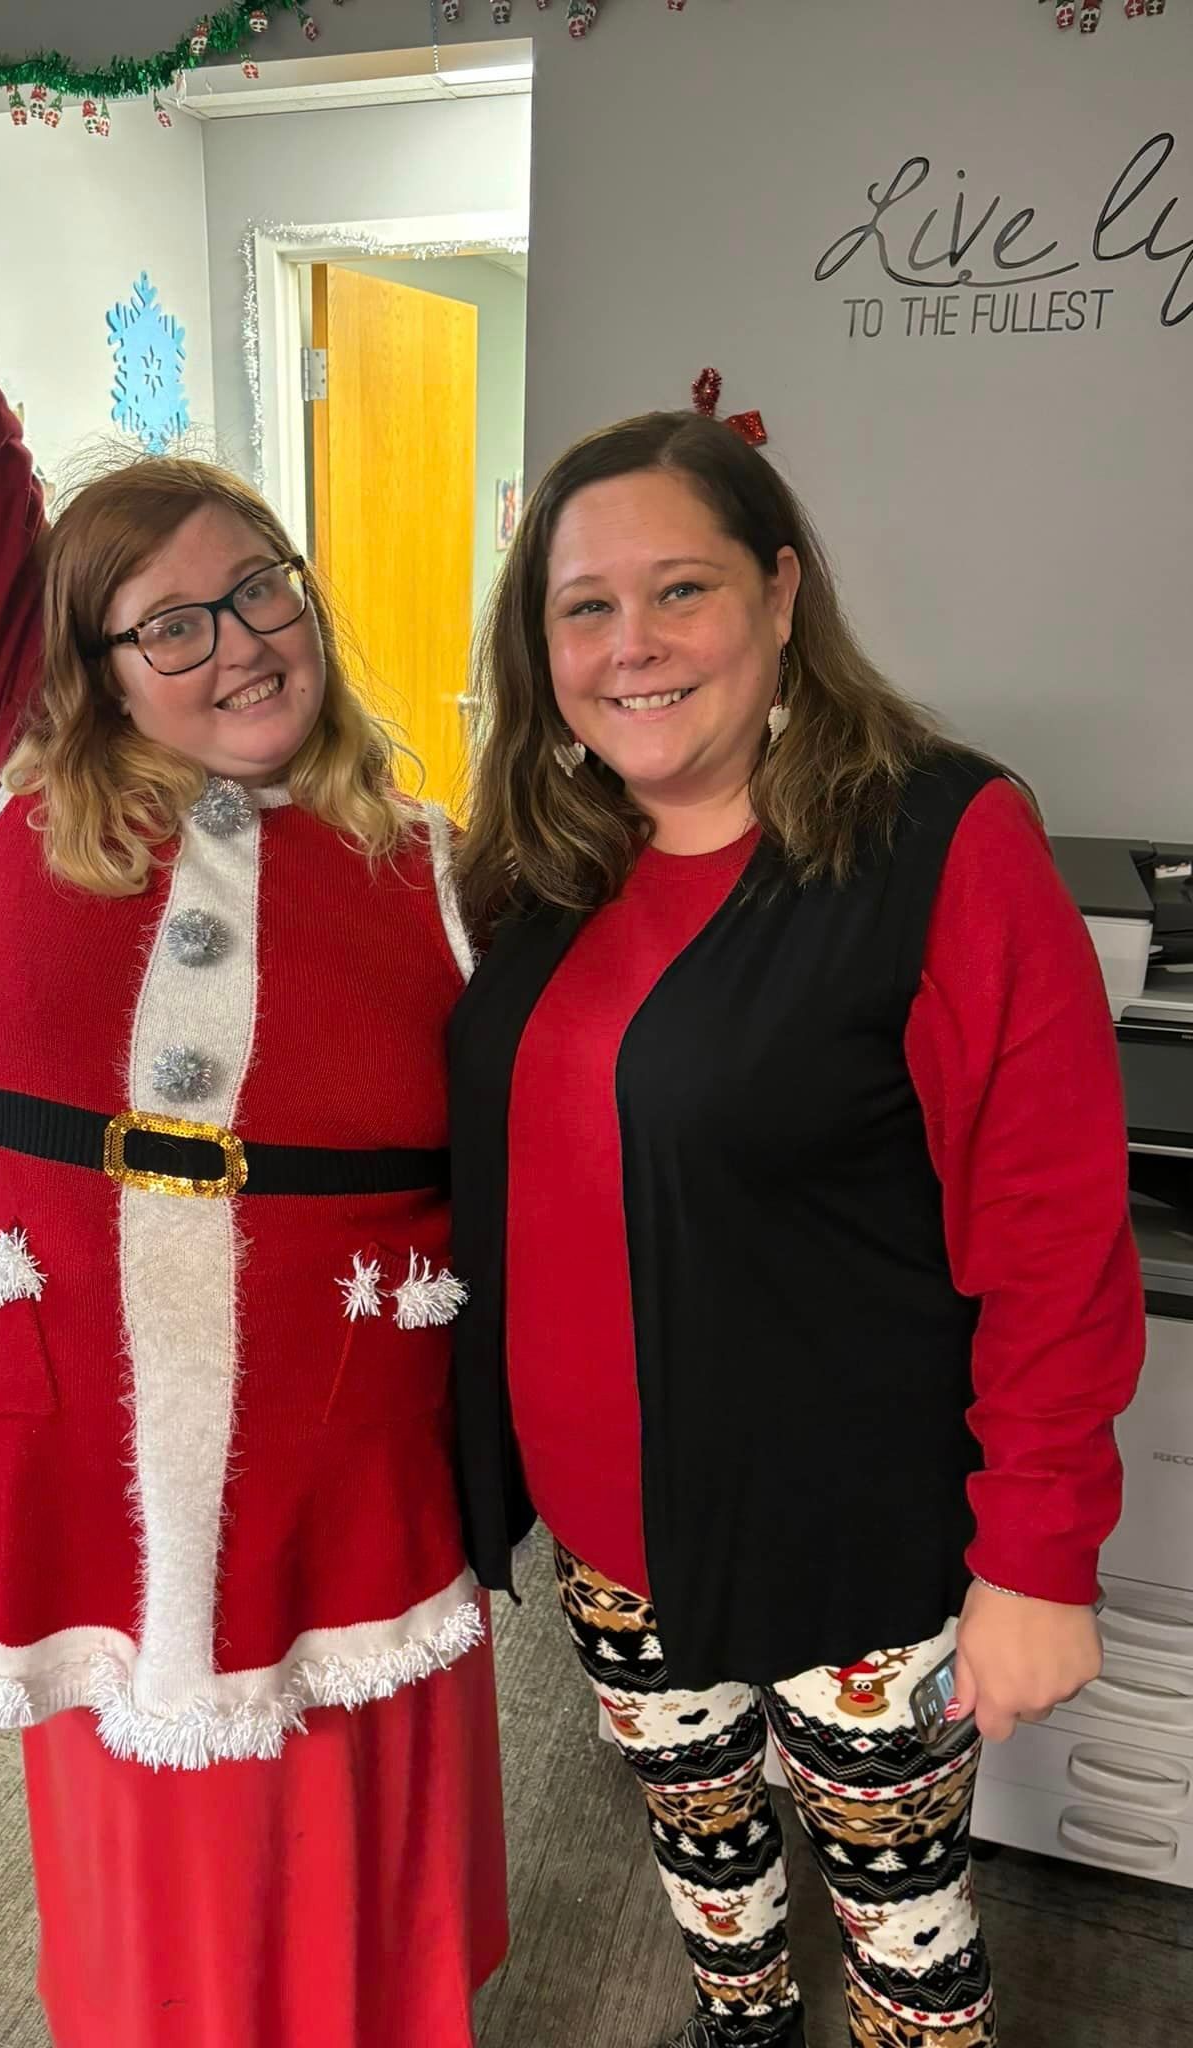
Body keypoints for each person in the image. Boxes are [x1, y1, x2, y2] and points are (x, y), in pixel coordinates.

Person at [0, 6, 506, 2044]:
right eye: (174, 617)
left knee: (358, 1817)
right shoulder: (33, 770)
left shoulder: (432, 851)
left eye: (264, 586)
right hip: (96, 1429)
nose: (240, 640)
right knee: (156, 1855)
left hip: (341, 1425)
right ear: (94, 661)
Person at [447, 409, 1144, 2048]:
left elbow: (1049, 1225)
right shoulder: (546, 865)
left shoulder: (937, 840)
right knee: (717, 1920)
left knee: (903, 1952)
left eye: (677, 590)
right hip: (617, 1545)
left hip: (856, 1546)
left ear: (777, 595)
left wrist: (1038, 1555)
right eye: (583, 608)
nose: (631, 648)